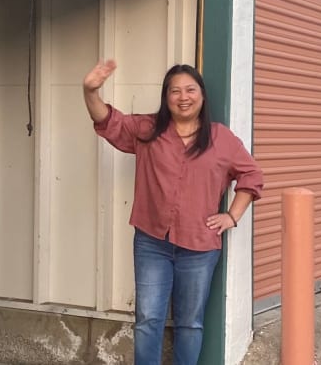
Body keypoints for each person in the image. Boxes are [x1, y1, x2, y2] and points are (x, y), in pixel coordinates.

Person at [82, 60, 264, 365]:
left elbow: (252, 176)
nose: (183, 96)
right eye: (175, 91)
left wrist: (232, 216)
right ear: (166, 98)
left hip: (200, 247)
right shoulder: (149, 130)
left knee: (190, 323)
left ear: (202, 96)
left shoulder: (221, 138)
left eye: (190, 89)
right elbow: (110, 122)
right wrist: (90, 91)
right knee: (148, 319)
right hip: (152, 242)